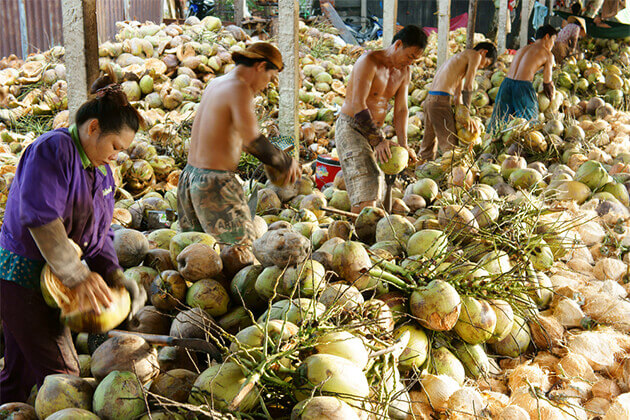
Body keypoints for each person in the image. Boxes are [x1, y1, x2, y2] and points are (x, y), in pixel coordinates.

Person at [0, 80, 146, 404]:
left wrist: (116, 277)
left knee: (17, 375)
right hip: (21, 282)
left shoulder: (102, 172)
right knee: (65, 380)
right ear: (93, 127)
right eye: (115, 146)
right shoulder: (51, 151)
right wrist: (77, 275)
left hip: (55, 290)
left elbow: (98, 239)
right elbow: (42, 220)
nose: (116, 156)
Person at [178, 42, 300, 244]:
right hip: (214, 185)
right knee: (240, 254)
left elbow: (238, 139)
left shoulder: (217, 83)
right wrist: (284, 162)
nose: (267, 85)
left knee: (197, 252)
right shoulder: (239, 88)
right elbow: (252, 141)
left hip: (189, 178)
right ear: (260, 66)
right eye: (270, 78)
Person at [336, 25, 427, 213]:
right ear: (398, 44)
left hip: (375, 131)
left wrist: (404, 145)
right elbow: (357, 104)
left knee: (378, 184)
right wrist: (377, 140)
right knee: (366, 181)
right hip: (351, 127)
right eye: (409, 56)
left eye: (415, 60)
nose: (410, 63)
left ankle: (369, 231)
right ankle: (362, 237)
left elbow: (401, 110)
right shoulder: (369, 62)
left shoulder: (404, 72)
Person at [420, 42, 498, 161]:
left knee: (428, 144)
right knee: (451, 146)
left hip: (430, 100)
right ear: (484, 52)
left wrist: (462, 114)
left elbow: (457, 97)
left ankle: (419, 173)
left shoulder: (459, 59)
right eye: (485, 63)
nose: (481, 67)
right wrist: (467, 113)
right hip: (440, 101)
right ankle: (453, 177)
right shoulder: (475, 55)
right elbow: (468, 87)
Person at [488, 25, 557, 133]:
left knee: (498, 122)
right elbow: (547, 82)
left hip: (506, 84)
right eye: (553, 41)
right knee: (529, 125)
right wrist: (551, 97)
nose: (553, 45)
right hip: (523, 87)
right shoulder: (548, 54)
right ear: (547, 37)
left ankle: (489, 146)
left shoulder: (522, 49)